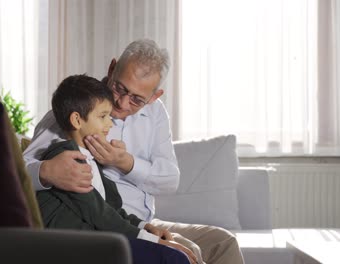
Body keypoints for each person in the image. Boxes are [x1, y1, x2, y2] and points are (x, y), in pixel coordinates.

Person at [24, 39, 244, 264]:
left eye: (137, 99)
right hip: (109, 228)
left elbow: (170, 180)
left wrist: (125, 163)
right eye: (119, 88)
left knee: (224, 242)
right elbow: (16, 171)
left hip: (141, 221)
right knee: (187, 251)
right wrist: (46, 171)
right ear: (112, 69)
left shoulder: (155, 114)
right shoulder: (76, 111)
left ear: (153, 97)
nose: (121, 102)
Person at [38, 74, 194, 264]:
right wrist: (156, 242)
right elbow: (100, 215)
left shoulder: (91, 159)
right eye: (103, 116)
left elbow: (112, 209)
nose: (110, 124)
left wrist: (144, 226)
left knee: (176, 255)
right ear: (77, 120)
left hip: (99, 239)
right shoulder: (66, 161)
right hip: (76, 246)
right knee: (171, 257)